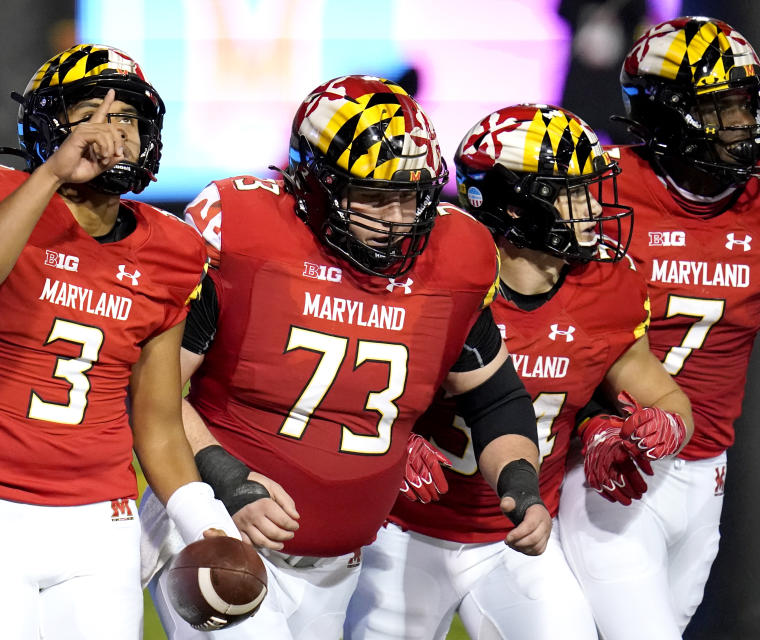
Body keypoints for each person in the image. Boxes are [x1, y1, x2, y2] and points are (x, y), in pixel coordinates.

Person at [137, 75, 552, 640]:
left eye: (410, 195)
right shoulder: (249, 238)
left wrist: (521, 482)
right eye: (375, 195)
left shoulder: (456, 257)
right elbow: (153, 389)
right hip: (219, 536)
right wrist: (225, 476)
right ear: (314, 182)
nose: (397, 217)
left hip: (340, 566)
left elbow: (495, 398)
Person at [343, 103, 693, 640]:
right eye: (571, 192)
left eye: (590, 189)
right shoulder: (433, 273)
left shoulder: (608, 287)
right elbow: (342, 391)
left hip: (518, 533)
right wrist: (388, 438)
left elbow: (665, 396)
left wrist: (662, 430)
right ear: (514, 207)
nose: (593, 208)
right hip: (401, 531)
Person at [0, 43, 237, 639]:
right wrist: (51, 175)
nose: (110, 128)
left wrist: (207, 524)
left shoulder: (174, 250)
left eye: (125, 116)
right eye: (90, 110)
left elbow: (159, 421)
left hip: (103, 524)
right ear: (49, 124)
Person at [557, 16, 760, 639]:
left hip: (706, 472)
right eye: (720, 109)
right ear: (664, 115)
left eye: (746, 104)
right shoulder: (596, 190)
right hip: (605, 460)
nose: (743, 125)